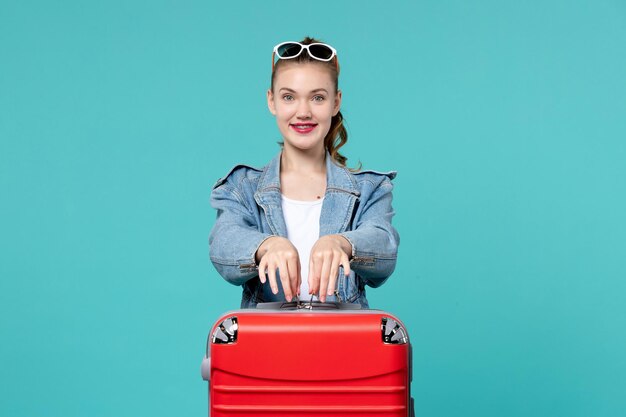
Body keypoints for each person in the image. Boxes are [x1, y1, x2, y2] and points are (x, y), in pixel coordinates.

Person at [209, 37, 399, 308]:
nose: (303, 112)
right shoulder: (241, 187)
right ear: (271, 101)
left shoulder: (370, 189)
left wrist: (343, 243)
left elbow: (385, 251)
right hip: (267, 349)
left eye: (318, 97)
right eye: (289, 97)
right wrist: (267, 246)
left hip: (344, 348)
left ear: (336, 102)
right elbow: (223, 247)